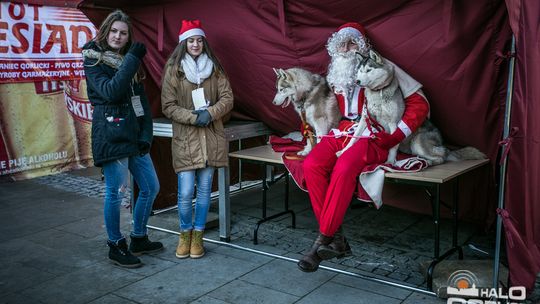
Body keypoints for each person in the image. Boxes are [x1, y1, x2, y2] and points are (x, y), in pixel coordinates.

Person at [297, 22, 430, 272]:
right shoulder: (335, 72)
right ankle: (338, 239)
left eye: (352, 43)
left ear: (363, 45)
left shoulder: (383, 67)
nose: (347, 49)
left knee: (345, 167)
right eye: (342, 44)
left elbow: (419, 103)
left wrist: (394, 136)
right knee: (312, 164)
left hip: (373, 134)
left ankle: (321, 242)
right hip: (343, 131)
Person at [82, 10, 163, 268]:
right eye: (114, 31)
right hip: (111, 133)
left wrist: (145, 136)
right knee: (116, 193)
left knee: (151, 187)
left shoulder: (127, 61)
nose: (118, 36)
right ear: (106, 32)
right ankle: (116, 245)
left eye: (123, 32)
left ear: (128, 36)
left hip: (133, 135)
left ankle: (138, 237)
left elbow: (140, 102)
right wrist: (131, 59)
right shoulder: (94, 60)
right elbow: (112, 92)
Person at [161, 20, 233, 259]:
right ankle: (184, 235)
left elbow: (227, 98)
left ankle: (198, 236)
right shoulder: (174, 69)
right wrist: (194, 117)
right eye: (191, 40)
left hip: (211, 137)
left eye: (199, 40)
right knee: (184, 192)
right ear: (184, 43)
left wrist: (210, 113)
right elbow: (168, 106)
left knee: (204, 191)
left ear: (204, 42)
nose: (195, 44)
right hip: (186, 139)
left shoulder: (215, 68)